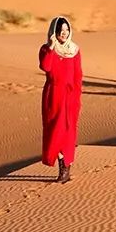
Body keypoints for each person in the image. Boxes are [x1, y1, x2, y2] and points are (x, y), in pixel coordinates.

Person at [39, 16, 82, 183]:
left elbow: (78, 75)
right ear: (54, 33)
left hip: (70, 96)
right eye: (60, 31)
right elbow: (46, 67)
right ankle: (62, 163)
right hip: (53, 96)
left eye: (66, 30)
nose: (64, 34)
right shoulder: (46, 49)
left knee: (68, 132)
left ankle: (65, 168)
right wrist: (51, 48)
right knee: (54, 132)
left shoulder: (75, 50)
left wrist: (77, 97)